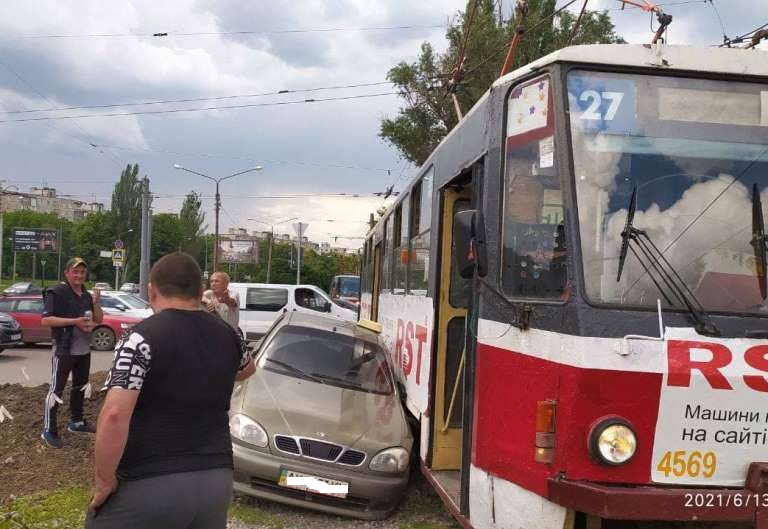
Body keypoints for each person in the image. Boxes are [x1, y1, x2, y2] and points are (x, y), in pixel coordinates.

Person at [87, 252, 255, 529]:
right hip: (216, 479)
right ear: (201, 291)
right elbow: (248, 370)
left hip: (152, 479)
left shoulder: (141, 338)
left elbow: (115, 414)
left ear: (151, 291)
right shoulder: (229, 334)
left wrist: (104, 480)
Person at [41, 256, 104, 448]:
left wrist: (96, 302)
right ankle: (49, 430)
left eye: (82, 272)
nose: (79, 275)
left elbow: (99, 319)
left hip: (84, 349)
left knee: (80, 387)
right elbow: (45, 320)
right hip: (64, 349)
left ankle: (76, 422)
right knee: (56, 389)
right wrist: (74, 322)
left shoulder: (86, 295)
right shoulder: (57, 292)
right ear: (67, 273)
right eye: (75, 271)